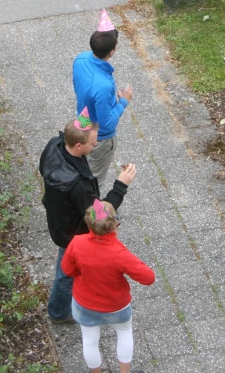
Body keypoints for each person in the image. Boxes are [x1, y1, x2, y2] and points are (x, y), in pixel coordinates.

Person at [39, 108, 137, 323]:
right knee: (65, 273)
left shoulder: (54, 145)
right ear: (78, 145)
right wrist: (121, 185)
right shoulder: (78, 185)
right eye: (93, 144)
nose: (95, 145)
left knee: (65, 265)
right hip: (71, 232)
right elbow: (101, 215)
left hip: (58, 219)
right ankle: (58, 312)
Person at [62, 200, 155, 373]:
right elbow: (148, 277)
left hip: (84, 302)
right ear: (113, 225)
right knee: (124, 332)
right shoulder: (119, 253)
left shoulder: (76, 243)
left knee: (89, 341)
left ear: (88, 223)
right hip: (116, 306)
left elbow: (67, 269)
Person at [73, 9, 133, 183]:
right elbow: (106, 124)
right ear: (112, 52)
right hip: (99, 138)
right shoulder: (103, 86)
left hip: (82, 122)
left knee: (82, 166)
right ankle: (89, 208)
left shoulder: (81, 59)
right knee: (94, 180)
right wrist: (123, 101)